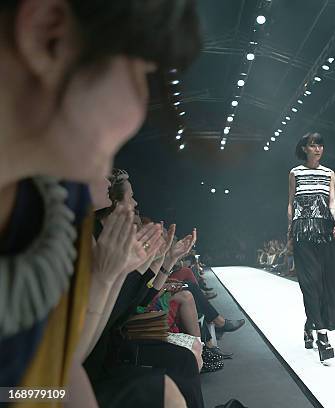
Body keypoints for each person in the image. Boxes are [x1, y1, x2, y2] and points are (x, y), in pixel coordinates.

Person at [0, 1, 200, 406]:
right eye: (141, 75)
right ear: (48, 34)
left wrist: (114, 276)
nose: (142, 107)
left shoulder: (47, 212)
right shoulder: (60, 215)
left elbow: (56, 373)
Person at [287, 132, 335, 363]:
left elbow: (332, 202)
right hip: (302, 231)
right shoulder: (295, 173)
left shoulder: (329, 173)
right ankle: (323, 336)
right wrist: (289, 229)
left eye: (320, 145)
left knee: (324, 282)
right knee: (309, 282)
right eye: (313, 145)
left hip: (325, 231)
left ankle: (310, 323)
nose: (318, 149)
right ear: (304, 148)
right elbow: (290, 204)